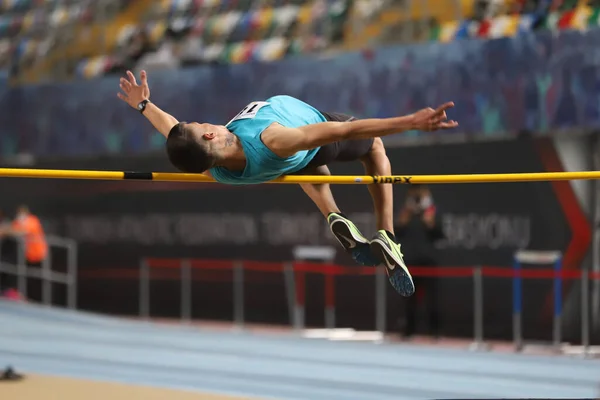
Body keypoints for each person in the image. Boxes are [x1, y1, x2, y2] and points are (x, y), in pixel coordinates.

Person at [117, 70, 458, 297]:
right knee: (374, 150)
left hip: (294, 161)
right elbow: (348, 131)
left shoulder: (210, 168)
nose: (205, 121)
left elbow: (172, 129)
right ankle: (387, 234)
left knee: (306, 170)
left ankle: (333, 215)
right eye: (200, 122)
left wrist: (144, 105)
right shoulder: (273, 139)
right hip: (313, 134)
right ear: (209, 132)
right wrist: (411, 122)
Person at [395, 185, 444, 337]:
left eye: (420, 193)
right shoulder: (405, 211)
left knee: (432, 298)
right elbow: (396, 233)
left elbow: (440, 235)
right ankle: (408, 330)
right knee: (409, 298)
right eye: (414, 193)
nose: (417, 196)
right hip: (409, 260)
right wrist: (403, 220)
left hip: (428, 260)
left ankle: (434, 331)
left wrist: (430, 222)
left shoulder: (433, 211)